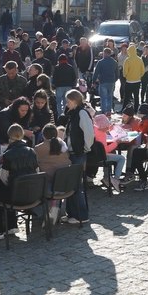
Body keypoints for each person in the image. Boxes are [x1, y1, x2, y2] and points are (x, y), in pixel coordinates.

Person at [61, 89, 94, 224]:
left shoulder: (81, 113)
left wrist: (85, 148)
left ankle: (82, 215)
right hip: (72, 153)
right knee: (70, 184)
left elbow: (89, 133)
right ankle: (72, 213)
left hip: (78, 153)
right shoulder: (73, 113)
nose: (66, 104)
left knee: (75, 185)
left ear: (75, 101)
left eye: (68, 101)